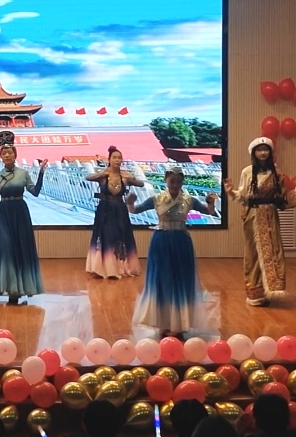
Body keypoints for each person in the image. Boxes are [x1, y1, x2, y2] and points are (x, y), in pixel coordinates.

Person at [129, 167, 218, 338]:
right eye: (172, 181)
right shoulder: (157, 199)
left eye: (178, 181)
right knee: (163, 280)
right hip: (161, 242)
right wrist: (130, 202)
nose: (175, 184)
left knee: (181, 280)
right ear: (166, 180)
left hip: (181, 242)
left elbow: (209, 212)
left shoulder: (189, 200)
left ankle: (179, 323)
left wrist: (210, 202)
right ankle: (164, 322)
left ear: (182, 182)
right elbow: (135, 210)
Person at [222, 137, 296, 307]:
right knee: (253, 254)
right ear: (254, 153)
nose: (262, 153)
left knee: (273, 252)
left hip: (270, 217)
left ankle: (270, 289)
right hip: (253, 216)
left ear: (270, 152)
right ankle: (255, 293)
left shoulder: (276, 173)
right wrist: (230, 192)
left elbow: (282, 198)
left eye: (265, 149)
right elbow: (242, 195)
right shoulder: (247, 172)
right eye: (259, 150)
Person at [0, 131, 47, 305]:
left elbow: (35, 192)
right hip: (4, 213)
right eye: (4, 153)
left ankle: (22, 288)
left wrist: (41, 173)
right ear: (0, 157)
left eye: (10, 152)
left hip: (20, 212)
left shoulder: (23, 173)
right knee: (6, 247)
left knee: (21, 247)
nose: (7, 155)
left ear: (15, 155)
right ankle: (8, 286)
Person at [85, 145, 144, 279]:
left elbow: (141, 184)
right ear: (109, 159)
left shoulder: (125, 176)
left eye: (119, 158)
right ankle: (104, 267)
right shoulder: (103, 175)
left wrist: (132, 178)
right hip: (105, 209)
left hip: (120, 209)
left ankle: (120, 267)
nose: (117, 160)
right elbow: (88, 177)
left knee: (121, 236)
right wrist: (101, 173)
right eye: (114, 157)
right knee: (106, 235)